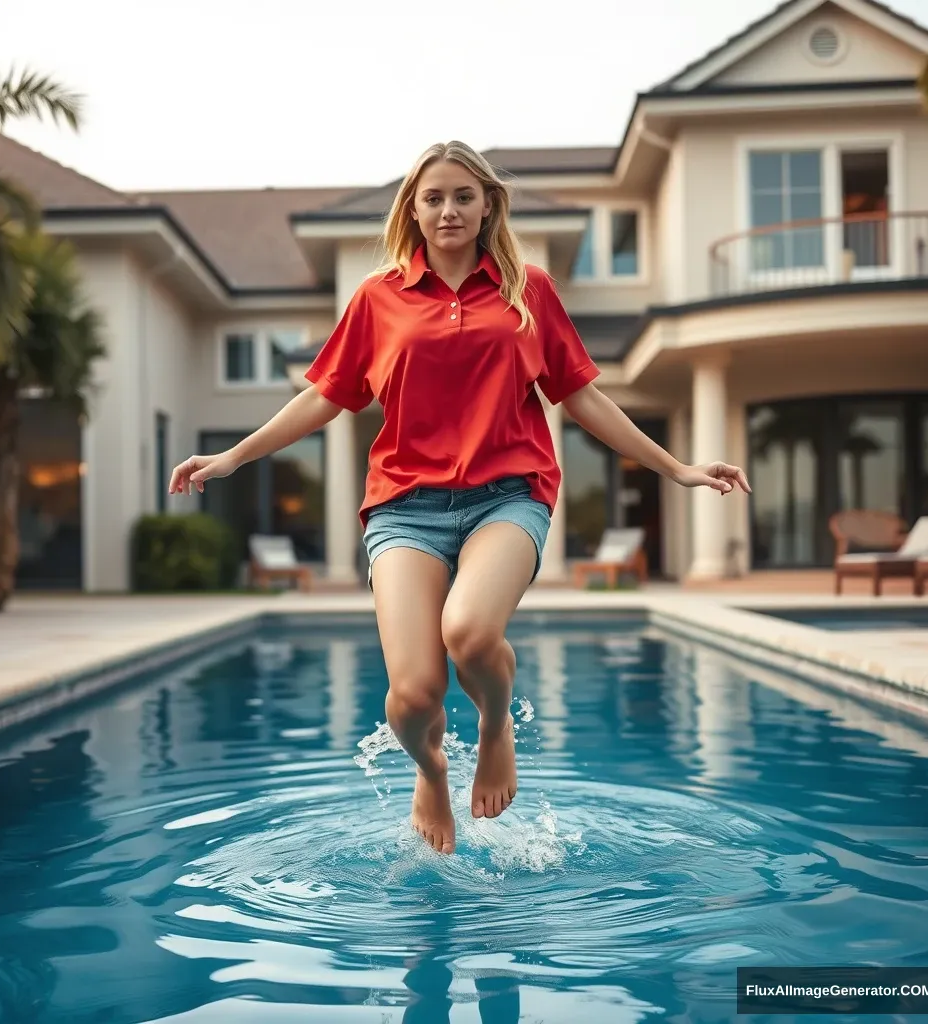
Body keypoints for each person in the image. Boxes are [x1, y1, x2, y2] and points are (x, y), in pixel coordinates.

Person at [167, 140, 750, 856]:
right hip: (404, 508)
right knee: (412, 699)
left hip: (508, 494)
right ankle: (432, 770)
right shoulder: (379, 298)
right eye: (434, 197)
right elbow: (323, 397)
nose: (448, 209)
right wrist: (232, 456)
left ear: (486, 207)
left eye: (463, 196)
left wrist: (676, 467)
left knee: (470, 633)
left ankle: (495, 726)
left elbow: (584, 398)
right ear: (413, 208)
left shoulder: (527, 290)